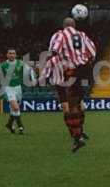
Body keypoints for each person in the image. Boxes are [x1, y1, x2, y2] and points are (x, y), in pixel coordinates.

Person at [41, 17, 96, 153]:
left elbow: (54, 51)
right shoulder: (82, 35)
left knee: (67, 105)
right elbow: (93, 52)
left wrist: (46, 70)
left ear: (63, 25)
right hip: (81, 70)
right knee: (79, 103)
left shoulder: (60, 35)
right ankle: (80, 132)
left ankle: (77, 136)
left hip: (66, 72)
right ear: (75, 25)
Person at [0, 48, 37, 134]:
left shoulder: (20, 63)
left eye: (13, 53)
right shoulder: (3, 65)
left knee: (14, 110)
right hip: (8, 88)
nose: (12, 55)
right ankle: (21, 127)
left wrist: (33, 79)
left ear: (16, 55)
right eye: (10, 53)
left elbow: (31, 70)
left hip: (18, 88)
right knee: (16, 107)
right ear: (7, 55)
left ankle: (9, 124)